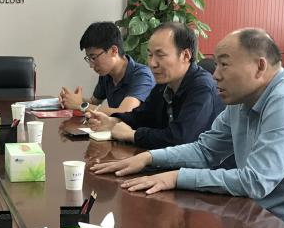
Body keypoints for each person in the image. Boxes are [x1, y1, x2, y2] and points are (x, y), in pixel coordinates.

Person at [92, 28, 284, 228]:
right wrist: (148, 158)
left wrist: (176, 177)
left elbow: (255, 181)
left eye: (224, 65)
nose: (215, 75)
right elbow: (205, 151)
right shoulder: (242, 99)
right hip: (257, 215)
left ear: (260, 67)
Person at [83, 23, 223, 148]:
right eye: (150, 55)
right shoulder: (164, 84)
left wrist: (133, 135)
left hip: (206, 167)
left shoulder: (202, 87)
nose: (152, 63)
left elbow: (181, 138)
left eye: (160, 55)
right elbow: (141, 116)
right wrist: (113, 121)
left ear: (185, 55)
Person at [58, 21, 154, 115]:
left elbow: (124, 113)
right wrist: (71, 100)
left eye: (94, 57)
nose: (91, 65)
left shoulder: (142, 75)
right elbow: (93, 102)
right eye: (89, 59)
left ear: (113, 50)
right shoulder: (107, 73)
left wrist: (80, 105)